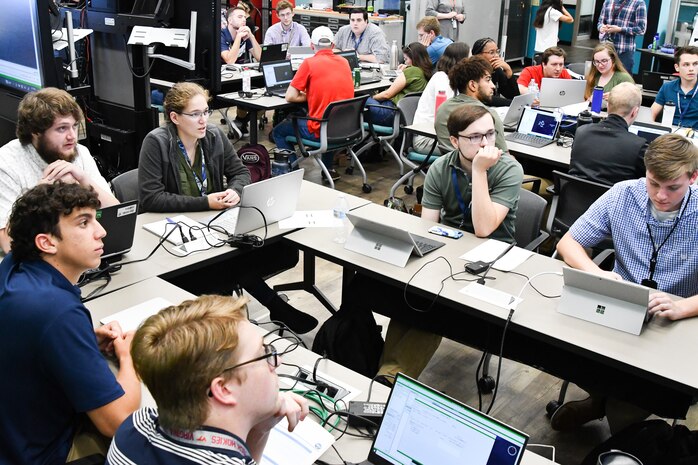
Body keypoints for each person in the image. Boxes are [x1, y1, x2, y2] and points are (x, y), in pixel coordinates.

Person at [139, 82, 318, 334]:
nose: (203, 120)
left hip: (213, 226)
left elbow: (240, 172)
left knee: (263, 251)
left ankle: (251, 317)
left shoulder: (212, 136)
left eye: (205, 111)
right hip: (175, 234)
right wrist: (206, 202)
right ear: (174, 117)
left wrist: (235, 190)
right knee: (231, 266)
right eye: (195, 114)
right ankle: (271, 310)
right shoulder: (156, 142)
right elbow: (151, 198)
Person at [554, 133, 698, 433]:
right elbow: (569, 243)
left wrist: (684, 307)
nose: (660, 195)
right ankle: (601, 401)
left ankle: (617, 420)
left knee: (638, 393)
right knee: (566, 350)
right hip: (619, 305)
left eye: (673, 188)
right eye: (653, 183)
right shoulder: (623, 194)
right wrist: (597, 274)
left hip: (674, 317)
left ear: (693, 178)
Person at [378, 104, 523, 379]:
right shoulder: (440, 168)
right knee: (409, 294)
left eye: (490, 134)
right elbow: (427, 227)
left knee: (435, 305)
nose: (485, 143)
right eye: (475, 136)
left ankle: (390, 378)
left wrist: (480, 172)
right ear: (454, 141)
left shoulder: (508, 169)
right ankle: (386, 372)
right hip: (451, 251)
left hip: (495, 259)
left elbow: (484, 229)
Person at [0, 182, 140, 464]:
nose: (102, 232)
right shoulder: (57, 311)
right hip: (40, 454)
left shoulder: (13, 268)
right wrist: (130, 356)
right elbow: (118, 422)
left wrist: (84, 340)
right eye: (83, 223)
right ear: (46, 242)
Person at [107, 295, 309, 464]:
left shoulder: (133, 427)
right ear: (223, 389)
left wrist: (261, 428)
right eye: (264, 353)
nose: (278, 361)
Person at [0, 87, 118, 253]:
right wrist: (38, 196)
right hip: (33, 262)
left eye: (74, 126)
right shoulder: (6, 164)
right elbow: (9, 244)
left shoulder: (80, 153)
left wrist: (85, 180)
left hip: (78, 252)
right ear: (35, 132)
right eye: (62, 128)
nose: (72, 137)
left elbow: (116, 214)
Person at [272, 26, 354, 183]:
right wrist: (314, 94)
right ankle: (328, 168)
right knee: (330, 117)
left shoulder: (309, 63)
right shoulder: (344, 62)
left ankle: (292, 172)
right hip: (345, 128)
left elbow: (290, 96)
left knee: (279, 131)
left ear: (311, 45)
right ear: (333, 45)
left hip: (321, 130)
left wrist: (309, 95)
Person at [569, 82, 647, 185]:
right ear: (635, 112)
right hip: (613, 201)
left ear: (609, 106)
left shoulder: (581, 131)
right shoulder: (639, 147)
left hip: (573, 199)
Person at [435, 56, 509, 153]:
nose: (493, 86)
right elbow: (505, 158)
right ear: (472, 85)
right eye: (488, 80)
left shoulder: (442, 108)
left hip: (451, 166)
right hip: (483, 166)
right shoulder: (488, 115)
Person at [412, 42, 470, 154]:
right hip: (427, 139)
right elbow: (447, 115)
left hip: (441, 136)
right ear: (461, 61)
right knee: (472, 151)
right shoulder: (442, 79)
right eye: (469, 58)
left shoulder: (454, 80)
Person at [365, 42, 432, 127]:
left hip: (390, 113)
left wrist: (372, 98)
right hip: (405, 116)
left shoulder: (412, 71)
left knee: (361, 99)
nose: (405, 62)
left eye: (406, 59)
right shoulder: (426, 72)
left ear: (414, 59)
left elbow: (387, 94)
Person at [221, 6, 262, 138]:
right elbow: (229, 60)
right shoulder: (221, 35)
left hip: (241, 76)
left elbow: (259, 57)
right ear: (229, 20)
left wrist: (251, 36)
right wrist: (239, 37)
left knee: (263, 92)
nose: (244, 19)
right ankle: (240, 121)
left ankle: (241, 121)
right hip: (223, 80)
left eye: (245, 17)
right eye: (240, 17)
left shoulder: (245, 35)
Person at [651, 46, 698, 129]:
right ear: (677, 67)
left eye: (695, 64)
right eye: (686, 65)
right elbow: (652, 114)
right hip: (669, 135)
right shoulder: (667, 87)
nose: (691, 69)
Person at [597, 0, 647, 74]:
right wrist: (601, 27)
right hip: (605, 48)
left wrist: (620, 29)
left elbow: (641, 29)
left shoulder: (639, 3)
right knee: (602, 79)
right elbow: (600, 22)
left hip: (624, 50)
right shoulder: (608, 1)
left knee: (624, 81)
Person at [472, 37, 520, 105]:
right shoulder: (473, 71)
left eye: (497, 52)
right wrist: (514, 104)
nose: (496, 56)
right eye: (491, 52)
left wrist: (509, 72)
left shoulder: (496, 70)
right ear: (478, 55)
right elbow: (487, 98)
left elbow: (513, 96)